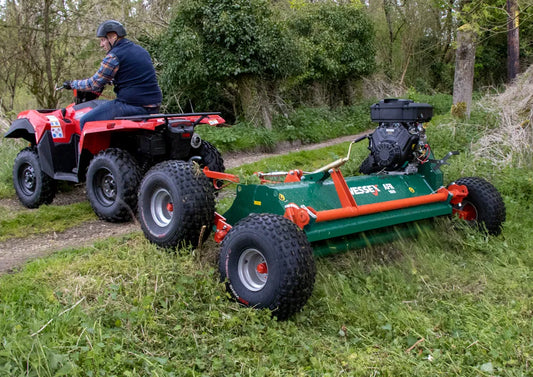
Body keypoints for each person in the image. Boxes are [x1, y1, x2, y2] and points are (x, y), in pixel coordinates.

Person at [64, 20, 162, 130]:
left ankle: (92, 148)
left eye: (102, 40)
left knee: (85, 121)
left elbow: (94, 84)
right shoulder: (141, 50)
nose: (101, 45)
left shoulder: (114, 56)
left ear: (113, 37)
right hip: (153, 106)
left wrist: (72, 84)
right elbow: (134, 76)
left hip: (132, 106)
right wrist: (111, 81)